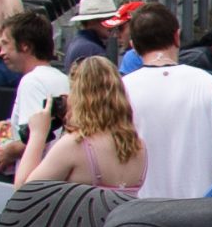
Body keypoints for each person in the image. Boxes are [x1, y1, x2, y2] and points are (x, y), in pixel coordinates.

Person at [120, 3, 212, 199]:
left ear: (134, 46)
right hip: (202, 216)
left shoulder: (119, 90)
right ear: (177, 36)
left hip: (141, 217)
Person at [15, 56, 146, 193]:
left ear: (79, 97)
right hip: (120, 214)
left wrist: (38, 134)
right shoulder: (139, 146)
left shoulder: (75, 145)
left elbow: (23, 192)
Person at [0, 12, 67, 177]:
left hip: (36, 183)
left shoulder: (32, 81)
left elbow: (36, 139)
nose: (1, 52)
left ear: (25, 46)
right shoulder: (63, 78)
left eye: (6, 44)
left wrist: (8, 151)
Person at [64, 0, 119, 71]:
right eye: (107, 19)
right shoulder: (92, 50)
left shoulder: (80, 42)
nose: (112, 24)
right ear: (91, 21)